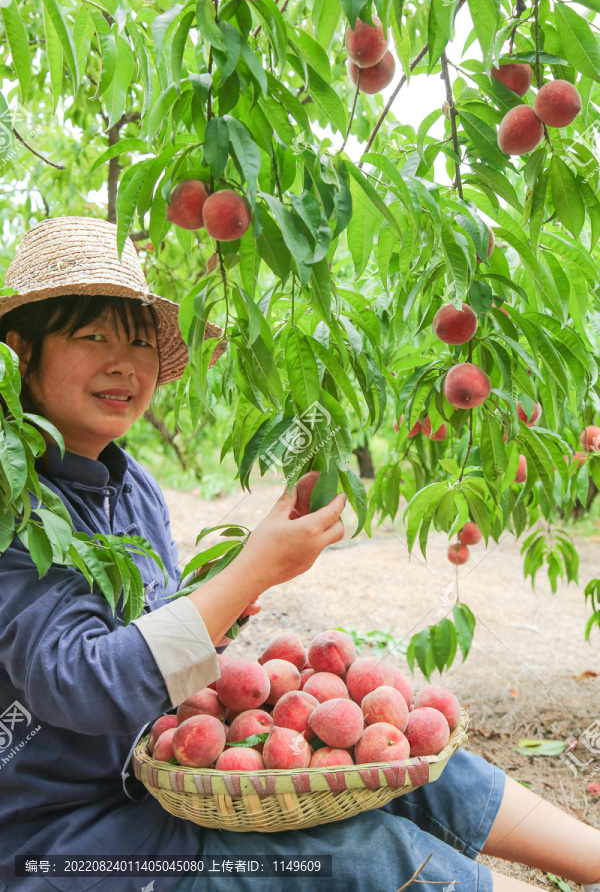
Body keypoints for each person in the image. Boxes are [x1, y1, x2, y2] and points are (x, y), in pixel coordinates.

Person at [0, 216, 598, 892]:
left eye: (139, 341)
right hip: (67, 842)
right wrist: (253, 568)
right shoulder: (10, 504)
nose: (124, 363)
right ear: (21, 351)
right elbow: (78, 680)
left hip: (168, 781)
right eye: (92, 335)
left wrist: (230, 592)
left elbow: (159, 633)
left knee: (390, 746)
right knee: (363, 855)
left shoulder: (129, 484)